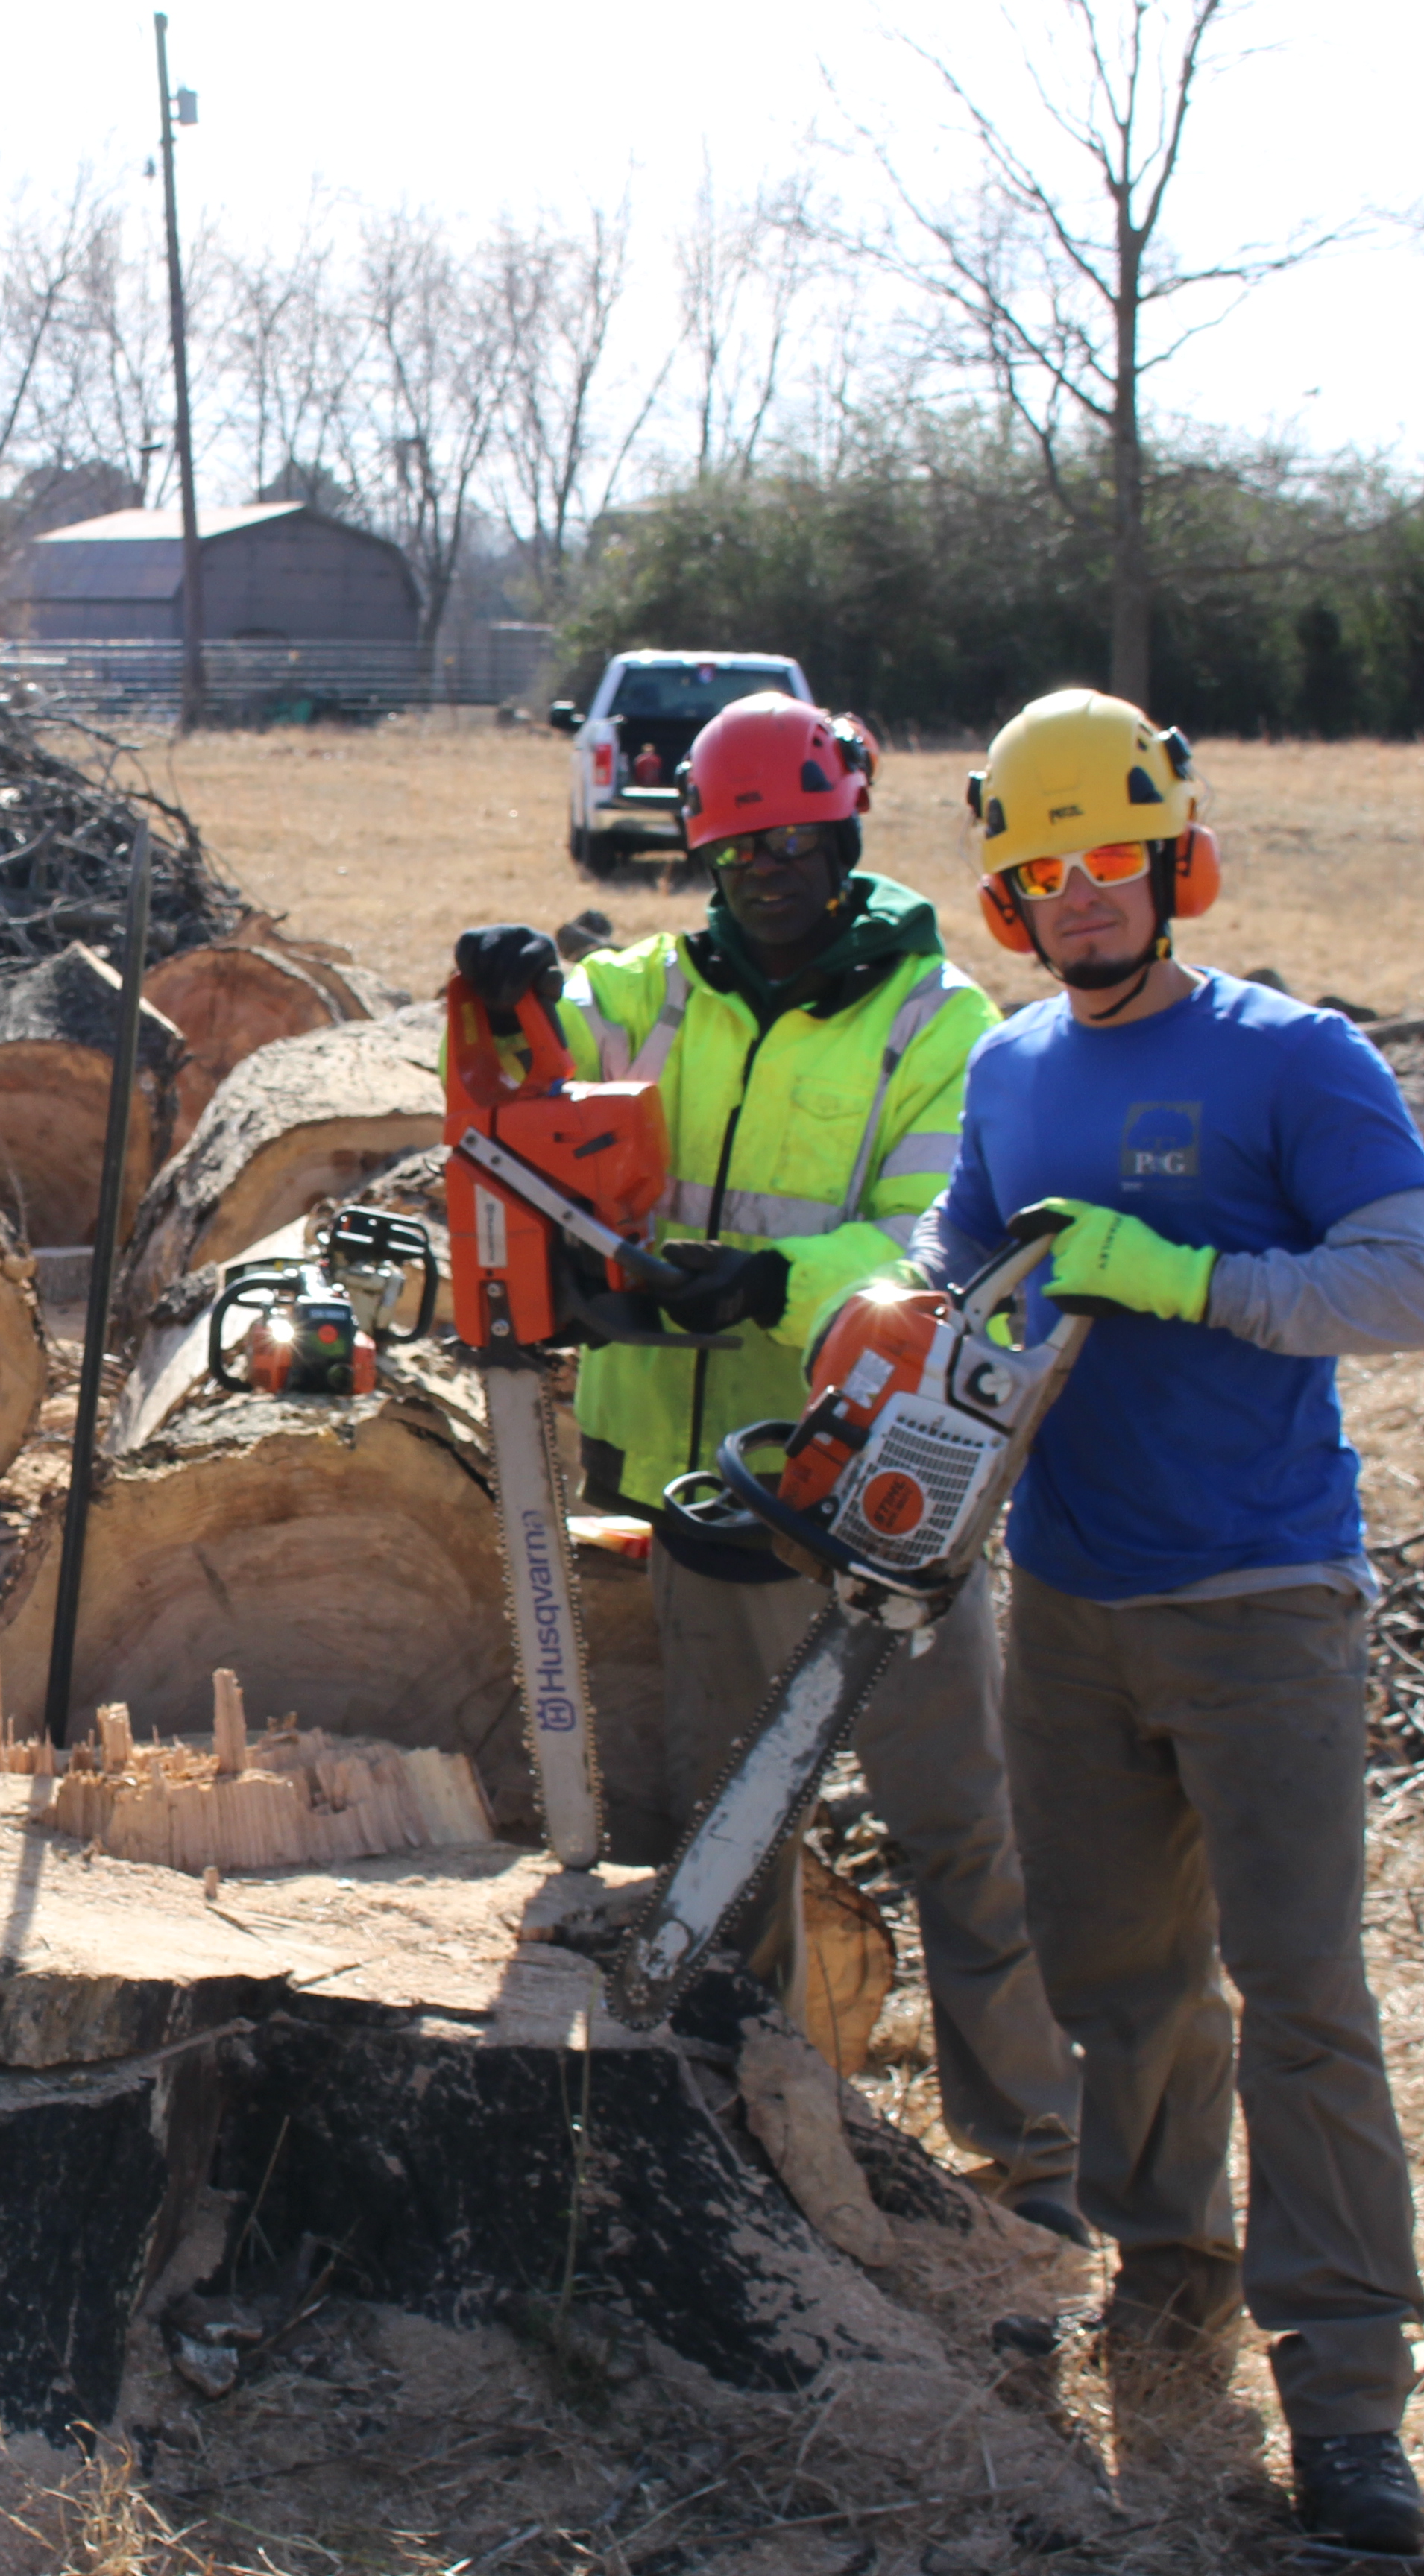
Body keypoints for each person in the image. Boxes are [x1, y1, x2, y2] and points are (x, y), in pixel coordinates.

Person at [917, 689, 1424, 2555]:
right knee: (1115, 1981)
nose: (1078, 898)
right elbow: (966, 1255)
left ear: (1169, 862)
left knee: (1301, 1997)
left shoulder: (1292, 1059)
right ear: (1009, 894)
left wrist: (1189, 1276)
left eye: (1105, 863)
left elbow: (1414, 1285)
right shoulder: (1007, 1068)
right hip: (1067, 1595)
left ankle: (1350, 2398)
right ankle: (1170, 2270)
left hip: (1263, 1592)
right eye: (1041, 871)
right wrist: (909, 1311)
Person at [453, 691, 1083, 2241]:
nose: (768, 872)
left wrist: (766, 1285)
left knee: (955, 1817)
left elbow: (948, 1239)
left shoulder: (942, 1026)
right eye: (737, 850)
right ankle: (754, 2122)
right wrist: (497, 984)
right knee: (727, 1827)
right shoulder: (655, 990)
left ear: (845, 831)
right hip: (681, 1469)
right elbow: (510, 1081)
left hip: (884, 1471)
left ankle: (1040, 2154)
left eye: (795, 842)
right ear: (703, 853)